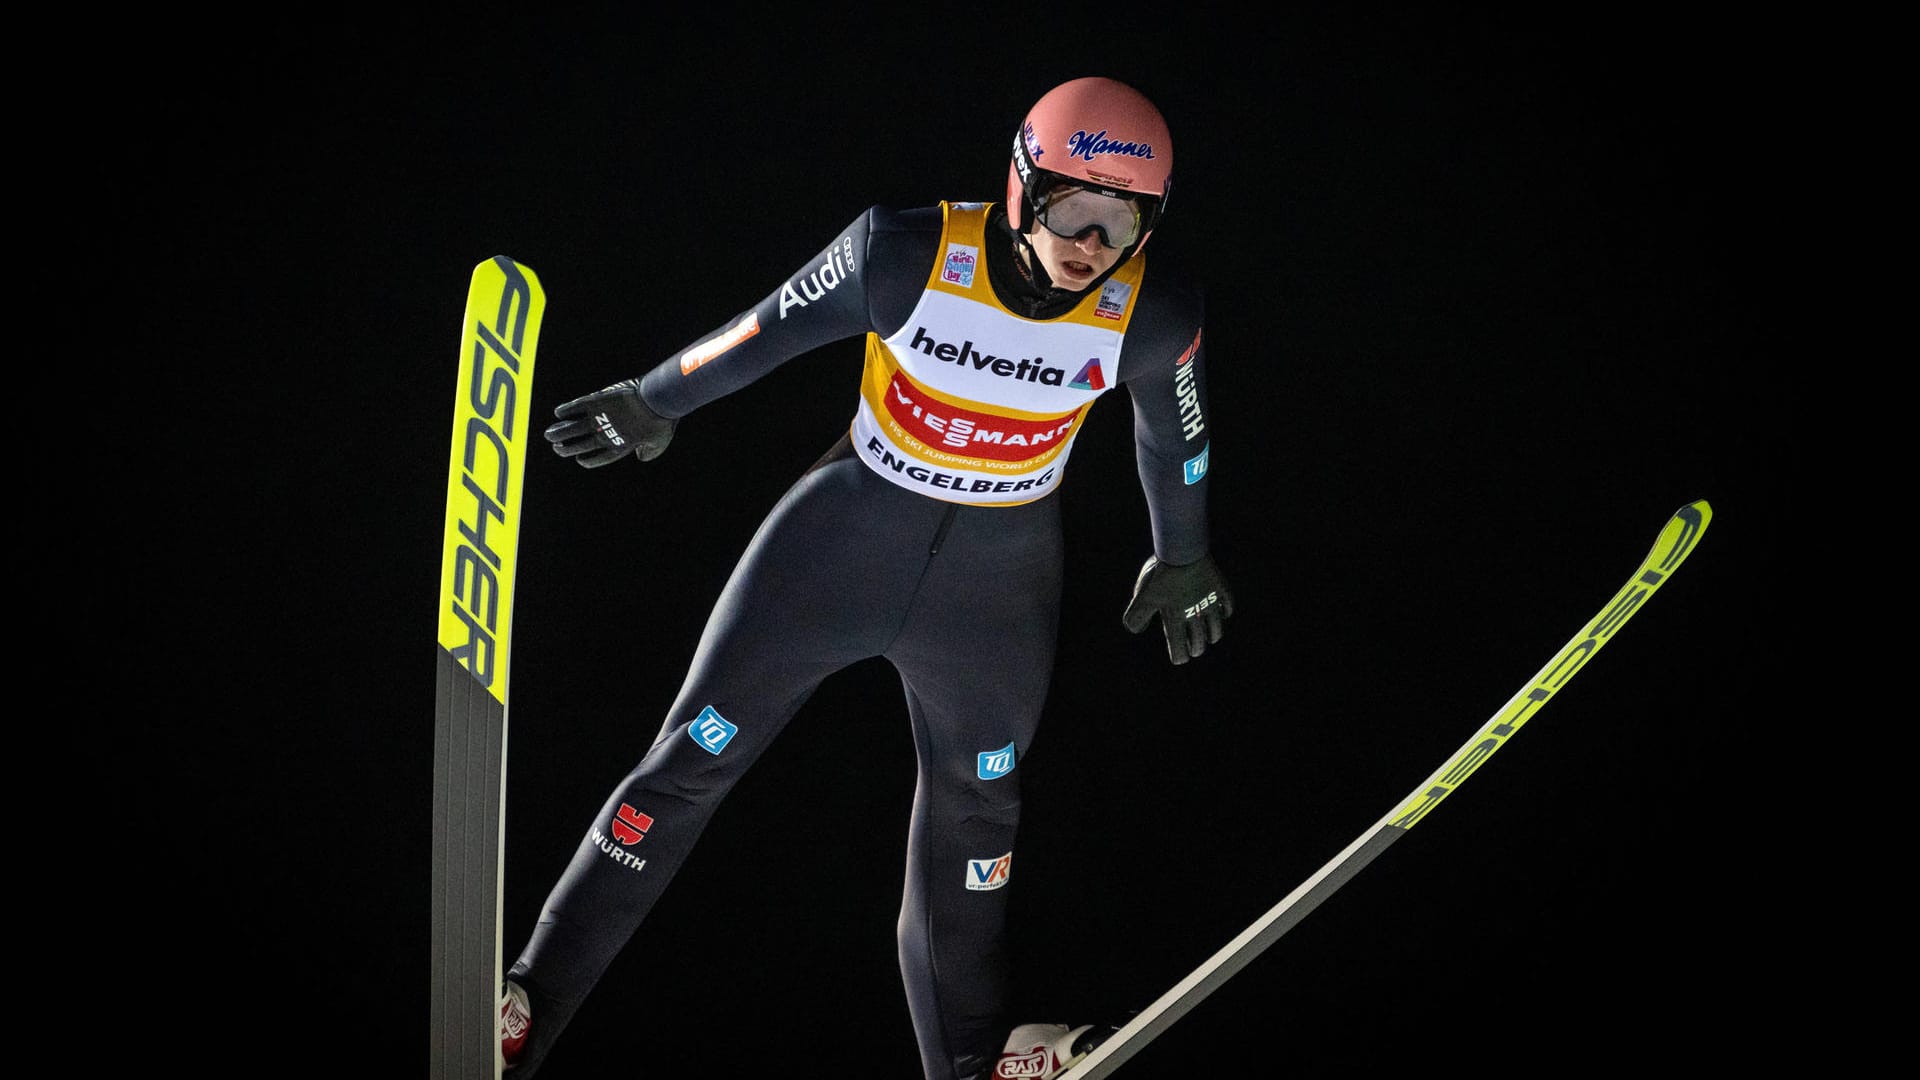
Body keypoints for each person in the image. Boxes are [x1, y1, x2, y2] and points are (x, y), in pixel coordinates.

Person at [501, 75, 1234, 1080]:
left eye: (1122, 223)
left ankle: (974, 1069)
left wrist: (1183, 550)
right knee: (687, 762)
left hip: (993, 593)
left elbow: (1175, 438)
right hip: (840, 543)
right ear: (1023, 187)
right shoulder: (908, 251)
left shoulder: (1150, 314)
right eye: (1073, 210)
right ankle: (525, 1007)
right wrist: (653, 398)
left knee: (977, 831)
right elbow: (764, 330)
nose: (1091, 247)